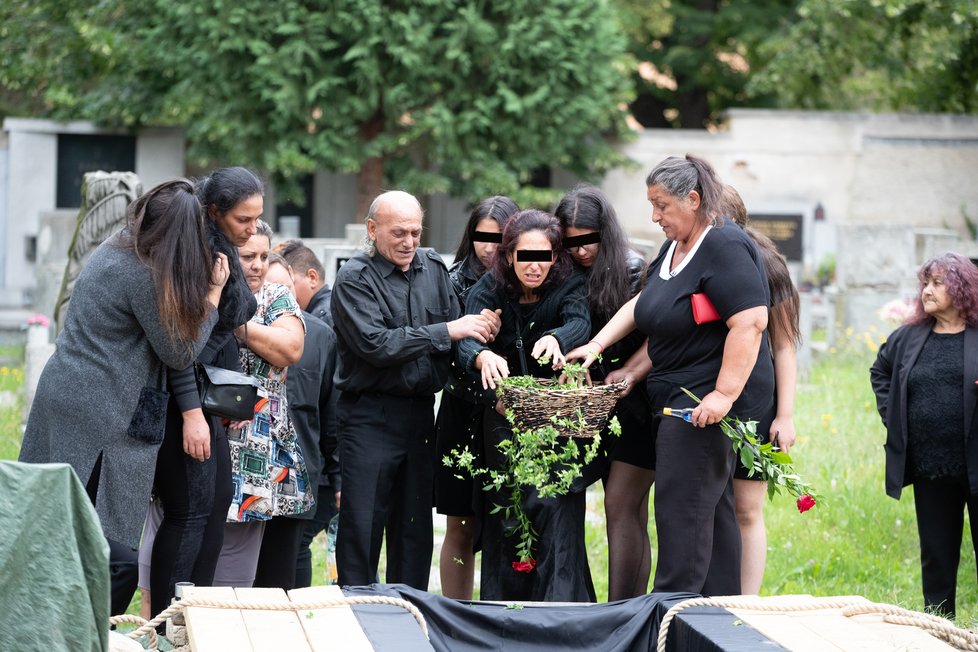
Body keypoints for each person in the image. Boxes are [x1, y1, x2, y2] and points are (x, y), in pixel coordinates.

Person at [19, 178, 228, 616]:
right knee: (111, 554)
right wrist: (212, 296)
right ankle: (81, 632)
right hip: (99, 408)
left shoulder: (119, 246)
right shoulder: (140, 273)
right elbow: (179, 350)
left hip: (71, 392)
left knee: (63, 525)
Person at [567, 154, 773, 596]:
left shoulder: (723, 245)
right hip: (674, 398)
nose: (654, 216)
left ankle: (670, 615)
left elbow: (751, 321)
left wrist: (723, 394)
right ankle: (715, 619)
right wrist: (597, 345)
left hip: (700, 407)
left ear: (693, 200)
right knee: (705, 518)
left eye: (661, 205)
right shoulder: (674, 248)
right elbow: (642, 307)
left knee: (682, 517)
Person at [330, 190, 500, 590]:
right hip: (369, 415)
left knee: (414, 528)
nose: (409, 242)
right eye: (398, 233)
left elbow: (461, 330)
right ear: (372, 230)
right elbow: (377, 345)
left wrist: (480, 349)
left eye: (415, 232)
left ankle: (411, 614)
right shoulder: (355, 278)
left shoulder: (431, 267)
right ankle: (357, 612)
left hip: (422, 413)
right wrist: (447, 331)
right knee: (363, 527)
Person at [457, 208, 592, 602]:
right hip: (502, 420)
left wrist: (558, 339)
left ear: (555, 257)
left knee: (556, 509)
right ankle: (504, 614)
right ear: (509, 255)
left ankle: (560, 614)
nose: (534, 267)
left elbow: (580, 322)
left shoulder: (569, 285)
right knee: (508, 514)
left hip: (556, 423)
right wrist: (480, 356)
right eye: (525, 257)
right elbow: (466, 338)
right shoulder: (488, 287)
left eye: (543, 257)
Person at [147, 166, 261, 618]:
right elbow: (180, 346)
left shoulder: (220, 248)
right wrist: (192, 413)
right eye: (244, 220)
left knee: (213, 509)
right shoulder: (192, 254)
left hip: (205, 397)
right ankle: (166, 627)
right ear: (214, 212)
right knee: (189, 514)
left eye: (257, 218)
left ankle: (196, 617)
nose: (252, 230)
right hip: (182, 399)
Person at [553, 184, 652, 601]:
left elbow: (657, 335)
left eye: (588, 240)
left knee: (622, 507)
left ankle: (623, 608)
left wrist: (627, 373)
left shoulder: (632, 268)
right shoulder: (558, 271)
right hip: (578, 401)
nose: (580, 251)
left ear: (605, 233)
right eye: (570, 242)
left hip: (633, 398)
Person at [870, 252, 978, 619]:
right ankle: (938, 627)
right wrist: (894, 416)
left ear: (961, 288)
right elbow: (880, 371)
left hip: (976, 464)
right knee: (936, 555)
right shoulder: (908, 337)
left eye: (937, 283)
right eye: (925, 283)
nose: (927, 291)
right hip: (931, 467)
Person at [213, 220, 312, 588]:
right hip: (206, 430)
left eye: (263, 256)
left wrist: (237, 325)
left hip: (260, 440)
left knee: (250, 564)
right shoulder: (205, 291)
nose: (256, 265)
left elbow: (290, 348)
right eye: (246, 256)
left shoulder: (275, 296)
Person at [719, 185, 802, 594]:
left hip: (754, 399)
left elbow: (784, 347)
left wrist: (785, 416)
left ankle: (747, 603)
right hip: (702, 395)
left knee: (747, 509)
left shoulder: (768, 265)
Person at [436, 195, 518, 599]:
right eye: (482, 237)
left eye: (499, 238)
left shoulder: (527, 280)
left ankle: (503, 610)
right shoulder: (451, 280)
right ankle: (455, 612)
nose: (490, 247)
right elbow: (443, 347)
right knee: (460, 521)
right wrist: (471, 329)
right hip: (462, 407)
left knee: (510, 518)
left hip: (510, 414)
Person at [264, 253, 339, 589]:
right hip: (247, 469)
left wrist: (337, 478)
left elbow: (331, 413)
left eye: (284, 290)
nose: (278, 300)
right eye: (268, 291)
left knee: (294, 553)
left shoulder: (321, 336)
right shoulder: (238, 331)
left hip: (300, 470)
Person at [277, 239, 333, 326]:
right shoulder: (329, 310)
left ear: (312, 278)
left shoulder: (323, 317)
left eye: (289, 285)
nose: (284, 294)